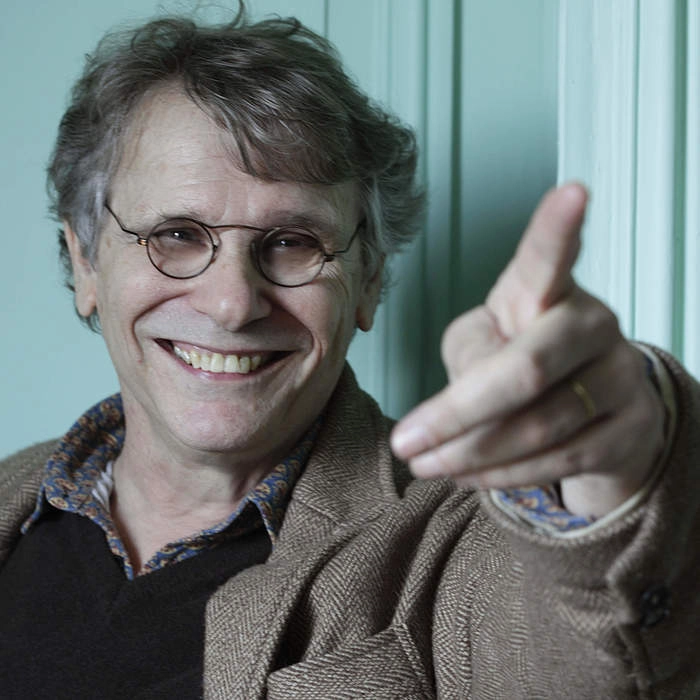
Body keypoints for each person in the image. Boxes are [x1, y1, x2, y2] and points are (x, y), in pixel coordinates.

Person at [0, 6, 697, 699]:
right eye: (176, 235)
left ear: (368, 281)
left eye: (292, 242)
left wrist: (618, 473)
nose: (232, 304)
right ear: (86, 263)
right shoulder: (13, 491)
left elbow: (572, 659)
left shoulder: (451, 538)